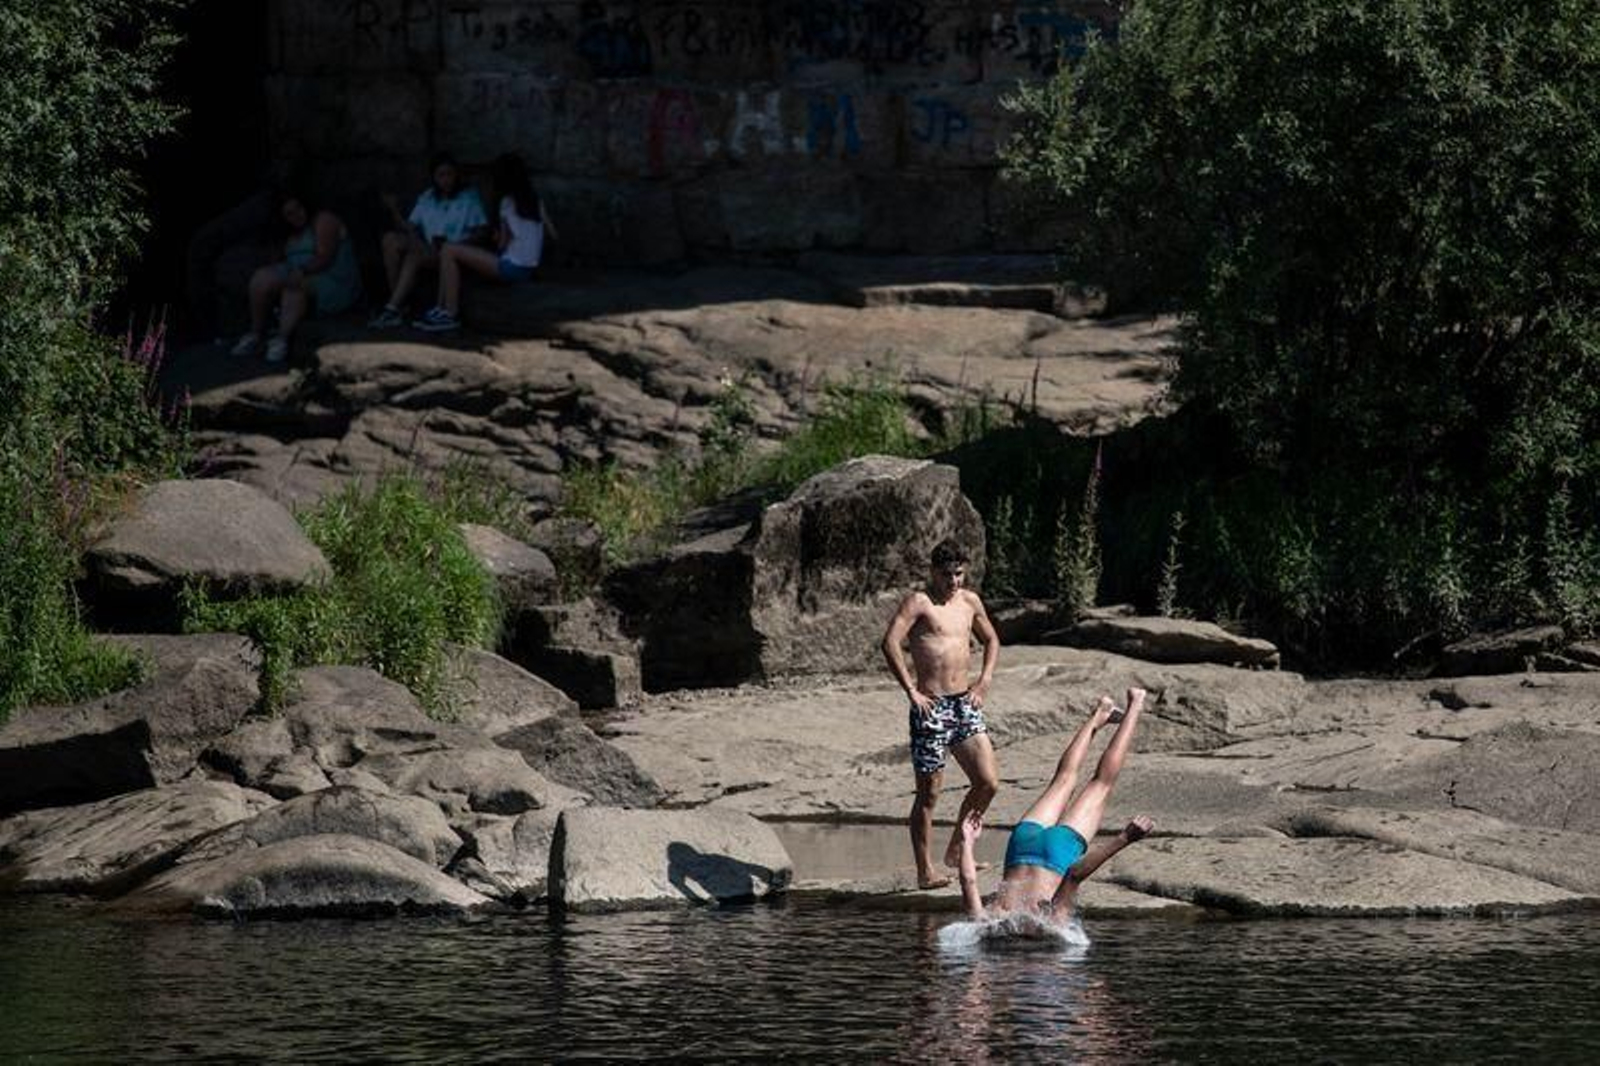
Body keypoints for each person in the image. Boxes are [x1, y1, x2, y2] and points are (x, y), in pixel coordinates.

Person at [956, 688, 1151, 926]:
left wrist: (1125, 838)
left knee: (1101, 783)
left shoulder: (1044, 925)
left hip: (1057, 854)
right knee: (1063, 778)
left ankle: (1135, 704)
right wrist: (967, 840)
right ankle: (1101, 712)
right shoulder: (986, 923)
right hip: (1021, 846)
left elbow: (1073, 875)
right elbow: (968, 880)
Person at [881, 538, 1001, 889]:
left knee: (988, 782)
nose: (953, 582)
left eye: (959, 574)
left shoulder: (969, 601)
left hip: (965, 704)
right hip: (931, 708)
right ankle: (925, 872)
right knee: (929, 794)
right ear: (933, 572)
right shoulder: (919, 602)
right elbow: (889, 642)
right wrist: (911, 691)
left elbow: (992, 639)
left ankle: (957, 850)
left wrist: (985, 681)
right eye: (947, 574)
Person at [413, 153, 556, 333]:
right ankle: (440, 308)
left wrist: (497, 237)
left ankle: (450, 312)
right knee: (449, 251)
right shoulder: (536, 200)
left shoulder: (507, 202)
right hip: (529, 267)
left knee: (449, 249)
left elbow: (502, 245)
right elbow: (552, 234)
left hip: (511, 267)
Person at [229, 189, 362, 363]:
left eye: (298, 208)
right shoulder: (288, 233)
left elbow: (325, 258)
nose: (296, 215)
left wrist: (299, 271)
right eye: (289, 213)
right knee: (261, 277)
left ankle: (281, 339)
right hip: (300, 273)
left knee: (294, 284)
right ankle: (256, 333)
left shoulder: (324, 220)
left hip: (333, 279)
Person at [367, 152, 489, 328]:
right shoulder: (428, 197)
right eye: (441, 175)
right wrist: (393, 209)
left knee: (414, 256)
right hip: (430, 247)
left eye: (449, 174)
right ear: (434, 177)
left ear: (456, 175)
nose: (446, 180)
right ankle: (397, 304)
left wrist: (457, 245)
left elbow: (482, 232)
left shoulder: (469, 197)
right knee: (390, 239)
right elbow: (410, 227)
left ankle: (392, 308)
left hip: (454, 251)